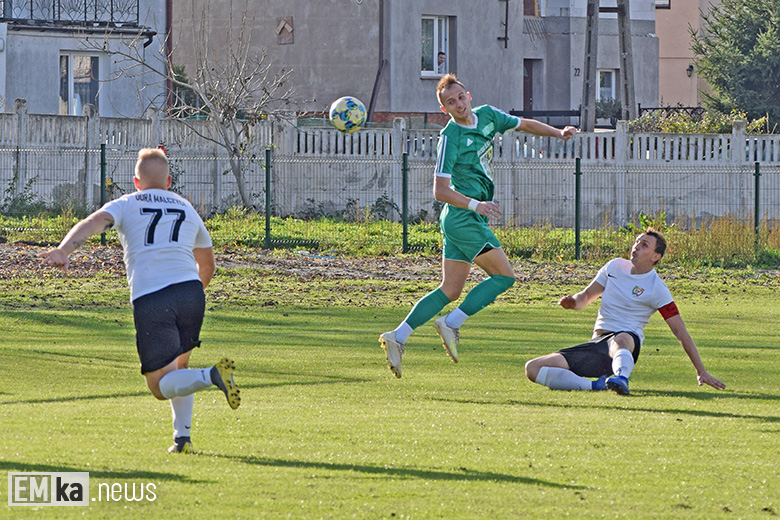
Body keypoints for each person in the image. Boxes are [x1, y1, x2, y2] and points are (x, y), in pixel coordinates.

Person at [38, 148, 240, 453]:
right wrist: (189, 295)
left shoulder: (127, 203)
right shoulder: (186, 208)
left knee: (158, 386)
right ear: (169, 181)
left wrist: (64, 250)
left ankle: (212, 375)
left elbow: (94, 222)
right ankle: (182, 439)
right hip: (191, 293)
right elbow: (208, 265)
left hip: (154, 297)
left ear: (136, 182)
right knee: (179, 368)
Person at [379, 74, 577, 378]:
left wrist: (559, 133)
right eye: (451, 102)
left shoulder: (487, 116)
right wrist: (476, 205)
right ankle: (451, 323)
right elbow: (440, 191)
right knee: (505, 277)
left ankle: (398, 336)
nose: (459, 104)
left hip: (464, 219)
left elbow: (524, 124)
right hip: (464, 218)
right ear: (444, 109)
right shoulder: (450, 137)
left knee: (450, 289)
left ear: (468, 96)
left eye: (461, 97)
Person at [525, 228, 726, 395]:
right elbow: (585, 297)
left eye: (644, 244)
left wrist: (701, 370)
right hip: (596, 345)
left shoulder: (657, 288)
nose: (636, 246)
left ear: (656, 256)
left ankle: (621, 378)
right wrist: (573, 302)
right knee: (533, 368)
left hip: (625, 344)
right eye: (637, 241)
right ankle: (596, 386)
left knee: (620, 339)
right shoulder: (614, 267)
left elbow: (680, 331)